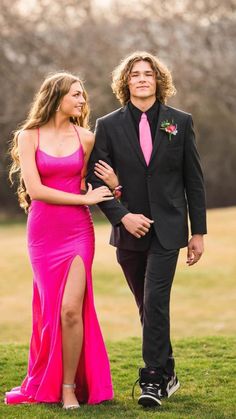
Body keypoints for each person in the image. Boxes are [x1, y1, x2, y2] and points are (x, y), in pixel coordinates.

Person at [87, 51, 207, 408]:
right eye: (135, 74)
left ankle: (152, 379)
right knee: (147, 306)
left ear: (158, 81)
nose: (142, 79)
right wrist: (122, 216)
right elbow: (96, 181)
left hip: (169, 229)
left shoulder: (180, 122)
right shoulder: (107, 125)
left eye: (148, 74)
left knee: (155, 301)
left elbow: (194, 181)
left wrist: (197, 232)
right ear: (126, 82)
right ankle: (168, 369)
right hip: (128, 231)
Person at [5, 72, 115, 409]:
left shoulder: (86, 138)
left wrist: (114, 183)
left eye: (82, 95)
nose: (83, 101)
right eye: (76, 95)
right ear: (57, 97)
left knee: (71, 310)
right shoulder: (28, 136)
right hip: (43, 232)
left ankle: (69, 387)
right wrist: (85, 200)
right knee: (52, 311)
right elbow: (36, 190)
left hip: (78, 232)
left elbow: (103, 184)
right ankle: (50, 380)